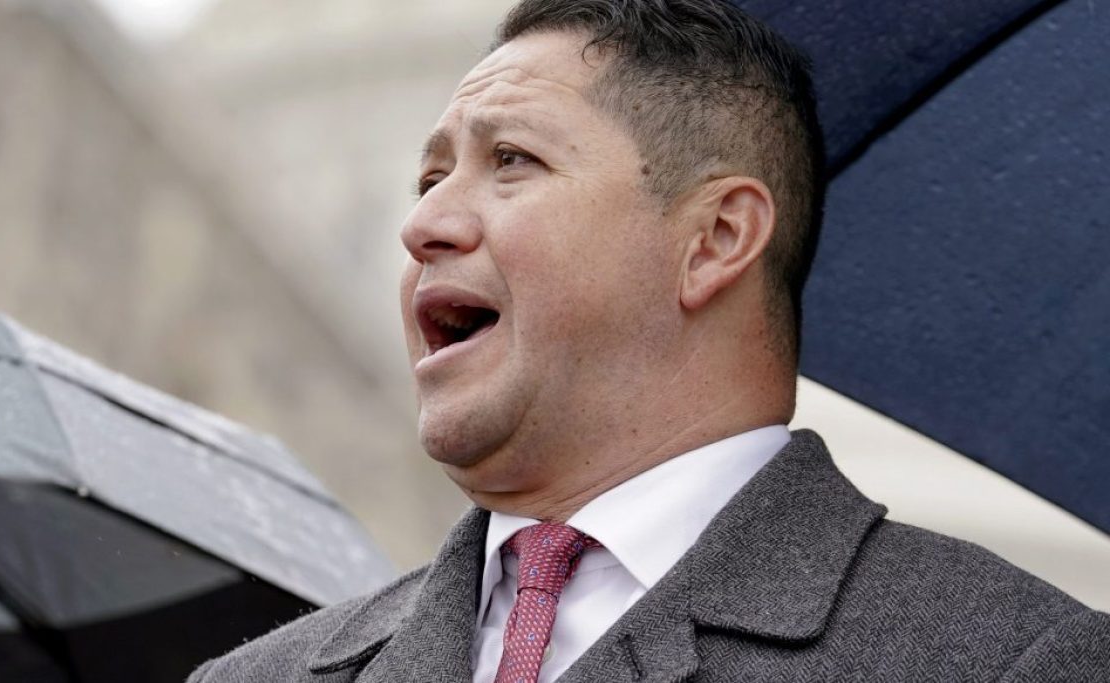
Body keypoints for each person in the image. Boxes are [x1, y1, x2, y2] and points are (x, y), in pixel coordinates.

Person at [189, 1, 1110, 681]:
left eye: (512, 160)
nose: (423, 224)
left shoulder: (1012, 660)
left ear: (715, 239)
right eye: (429, 179)